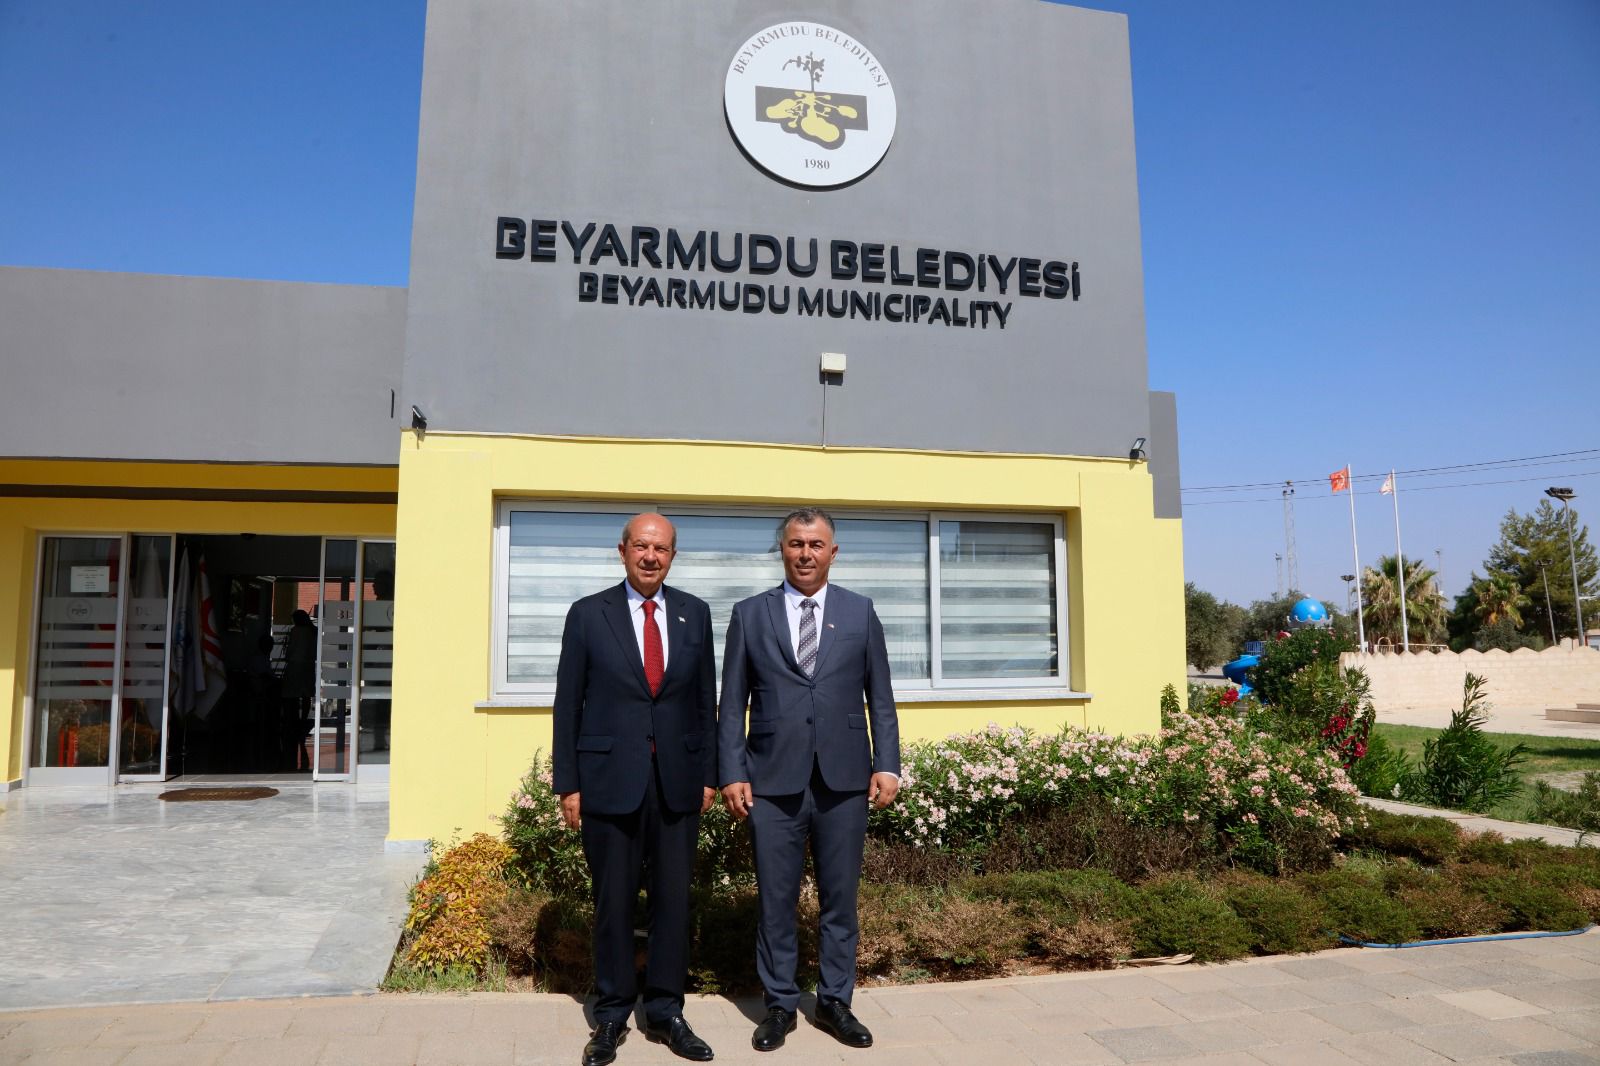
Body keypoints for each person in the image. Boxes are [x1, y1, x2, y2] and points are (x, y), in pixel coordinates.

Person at [718, 507, 900, 1052]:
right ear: (782, 549)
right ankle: (779, 1004)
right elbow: (731, 703)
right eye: (796, 544)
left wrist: (887, 762)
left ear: (832, 552)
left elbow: (880, 696)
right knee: (775, 901)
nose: (805, 553)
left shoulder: (860, 611)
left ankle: (835, 1001)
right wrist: (732, 771)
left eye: (815, 545)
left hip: (844, 781)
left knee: (839, 900)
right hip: (771, 780)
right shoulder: (750, 614)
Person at [552, 513, 718, 1066]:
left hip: (677, 783)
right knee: (613, 903)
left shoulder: (695, 613)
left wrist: (710, 775)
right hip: (607, 781)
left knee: (673, 902)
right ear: (622, 551)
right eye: (642, 546)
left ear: (673, 556)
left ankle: (667, 1011)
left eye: (661, 549)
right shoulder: (587, 614)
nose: (651, 557)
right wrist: (568, 784)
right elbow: (567, 704)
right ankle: (612, 1013)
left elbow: (705, 702)